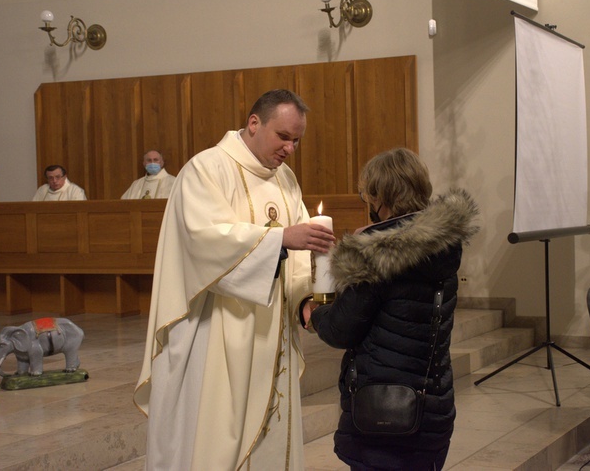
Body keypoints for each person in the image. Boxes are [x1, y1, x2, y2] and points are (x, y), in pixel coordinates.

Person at [133, 89, 336, 470]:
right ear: (254, 123)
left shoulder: (286, 181)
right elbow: (202, 240)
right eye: (283, 137)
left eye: (297, 140)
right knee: (215, 440)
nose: (290, 148)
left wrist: (305, 300)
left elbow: (298, 256)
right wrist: (280, 238)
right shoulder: (206, 169)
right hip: (215, 334)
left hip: (271, 336)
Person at [303, 148, 480, 470]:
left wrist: (313, 313)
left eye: (368, 194)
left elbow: (341, 330)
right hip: (433, 402)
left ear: (379, 196)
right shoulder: (444, 244)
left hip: (385, 409)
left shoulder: (374, 256)